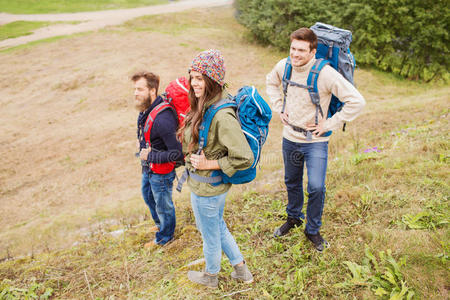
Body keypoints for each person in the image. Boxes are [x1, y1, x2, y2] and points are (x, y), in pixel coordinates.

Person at [266, 28, 366, 252]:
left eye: (301, 50)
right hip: (290, 137)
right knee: (291, 181)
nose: (295, 54)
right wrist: (278, 107)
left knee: (317, 187)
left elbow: (356, 101)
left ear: (313, 52)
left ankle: (312, 230)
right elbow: (270, 82)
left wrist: (329, 124)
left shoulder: (325, 74)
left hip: (315, 142)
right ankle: (293, 218)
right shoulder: (284, 66)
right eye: (293, 48)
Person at [178, 49, 254, 288]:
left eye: (199, 78)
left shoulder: (222, 116)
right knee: (215, 226)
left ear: (212, 80)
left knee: (210, 235)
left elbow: (245, 157)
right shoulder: (207, 103)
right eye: (192, 77)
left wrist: (209, 163)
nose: (193, 83)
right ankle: (241, 270)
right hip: (203, 186)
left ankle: (211, 277)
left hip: (209, 189)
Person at [132, 71, 183, 248]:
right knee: (148, 197)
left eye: (140, 89)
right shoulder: (148, 109)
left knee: (163, 205)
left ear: (152, 90)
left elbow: (177, 153)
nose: (135, 93)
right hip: (149, 168)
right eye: (135, 89)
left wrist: (150, 155)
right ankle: (161, 225)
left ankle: (165, 237)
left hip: (161, 173)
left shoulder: (163, 119)